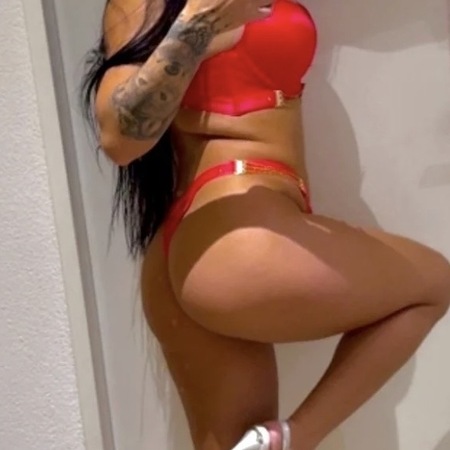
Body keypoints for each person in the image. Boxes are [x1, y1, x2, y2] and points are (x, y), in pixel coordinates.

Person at [82, 0, 450, 449]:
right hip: (236, 232)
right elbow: (119, 140)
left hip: (194, 243)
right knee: (431, 283)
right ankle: (293, 438)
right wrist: (199, 24)